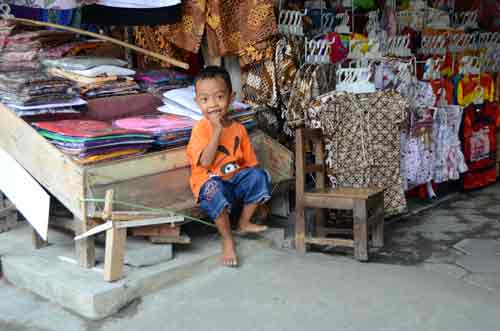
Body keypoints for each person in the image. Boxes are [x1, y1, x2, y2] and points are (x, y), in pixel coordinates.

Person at [187, 66, 270, 267]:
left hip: (234, 183)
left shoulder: (239, 129)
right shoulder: (200, 129)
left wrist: (261, 201)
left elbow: (250, 164)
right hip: (210, 186)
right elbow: (205, 162)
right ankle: (227, 239)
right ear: (197, 102)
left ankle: (243, 222)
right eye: (205, 99)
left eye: (219, 97)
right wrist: (216, 130)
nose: (213, 105)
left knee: (259, 175)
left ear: (231, 98)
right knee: (213, 189)